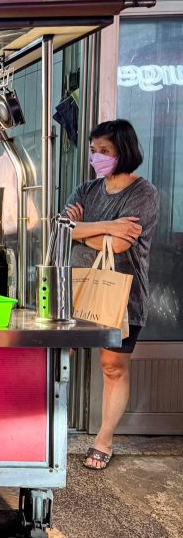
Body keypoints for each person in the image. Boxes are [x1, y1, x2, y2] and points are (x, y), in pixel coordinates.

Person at [65, 119, 159, 471]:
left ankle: (103, 440)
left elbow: (120, 245)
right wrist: (104, 226)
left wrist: (83, 230)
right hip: (78, 288)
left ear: (124, 152)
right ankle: (49, 432)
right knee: (62, 356)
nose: (97, 157)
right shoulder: (87, 190)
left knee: (113, 366)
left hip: (123, 293)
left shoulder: (143, 193)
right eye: (94, 150)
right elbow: (64, 226)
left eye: (105, 151)